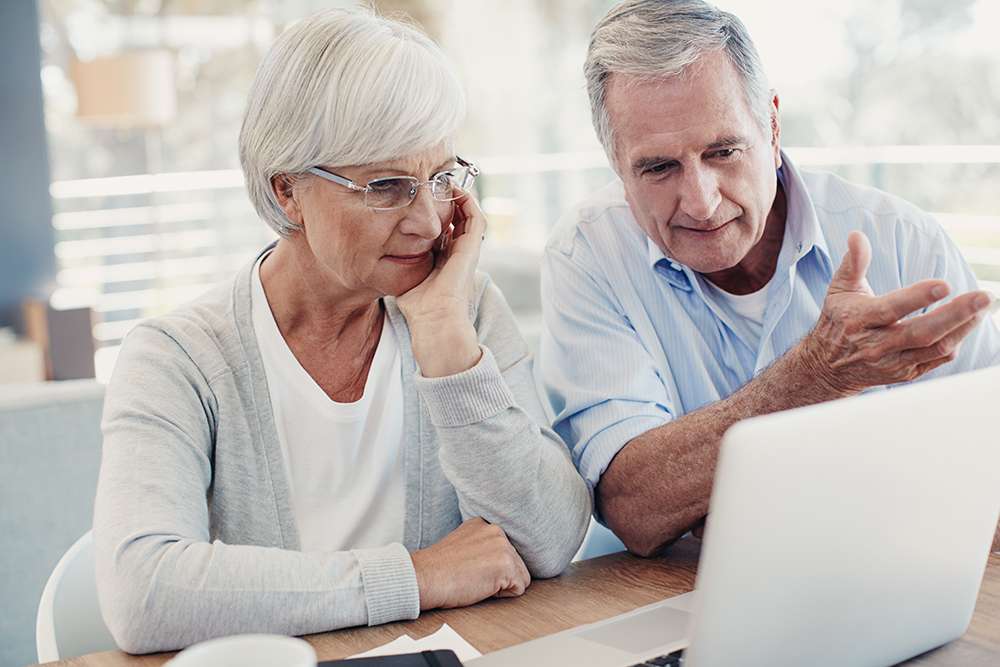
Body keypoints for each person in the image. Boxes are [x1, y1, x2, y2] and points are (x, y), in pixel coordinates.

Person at [93, 7, 590, 655]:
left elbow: (552, 538)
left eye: (440, 180)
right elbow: (144, 593)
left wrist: (444, 337)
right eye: (386, 186)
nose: (426, 221)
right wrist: (416, 574)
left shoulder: (465, 309)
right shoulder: (178, 356)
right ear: (288, 191)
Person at [540, 0, 1000, 559]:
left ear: (773, 126)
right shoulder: (587, 253)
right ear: (616, 162)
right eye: (658, 167)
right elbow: (634, 507)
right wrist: (813, 377)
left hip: (897, 581)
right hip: (681, 602)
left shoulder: (904, 240)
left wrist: (739, 500)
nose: (702, 203)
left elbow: (986, 483)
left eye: (724, 151)